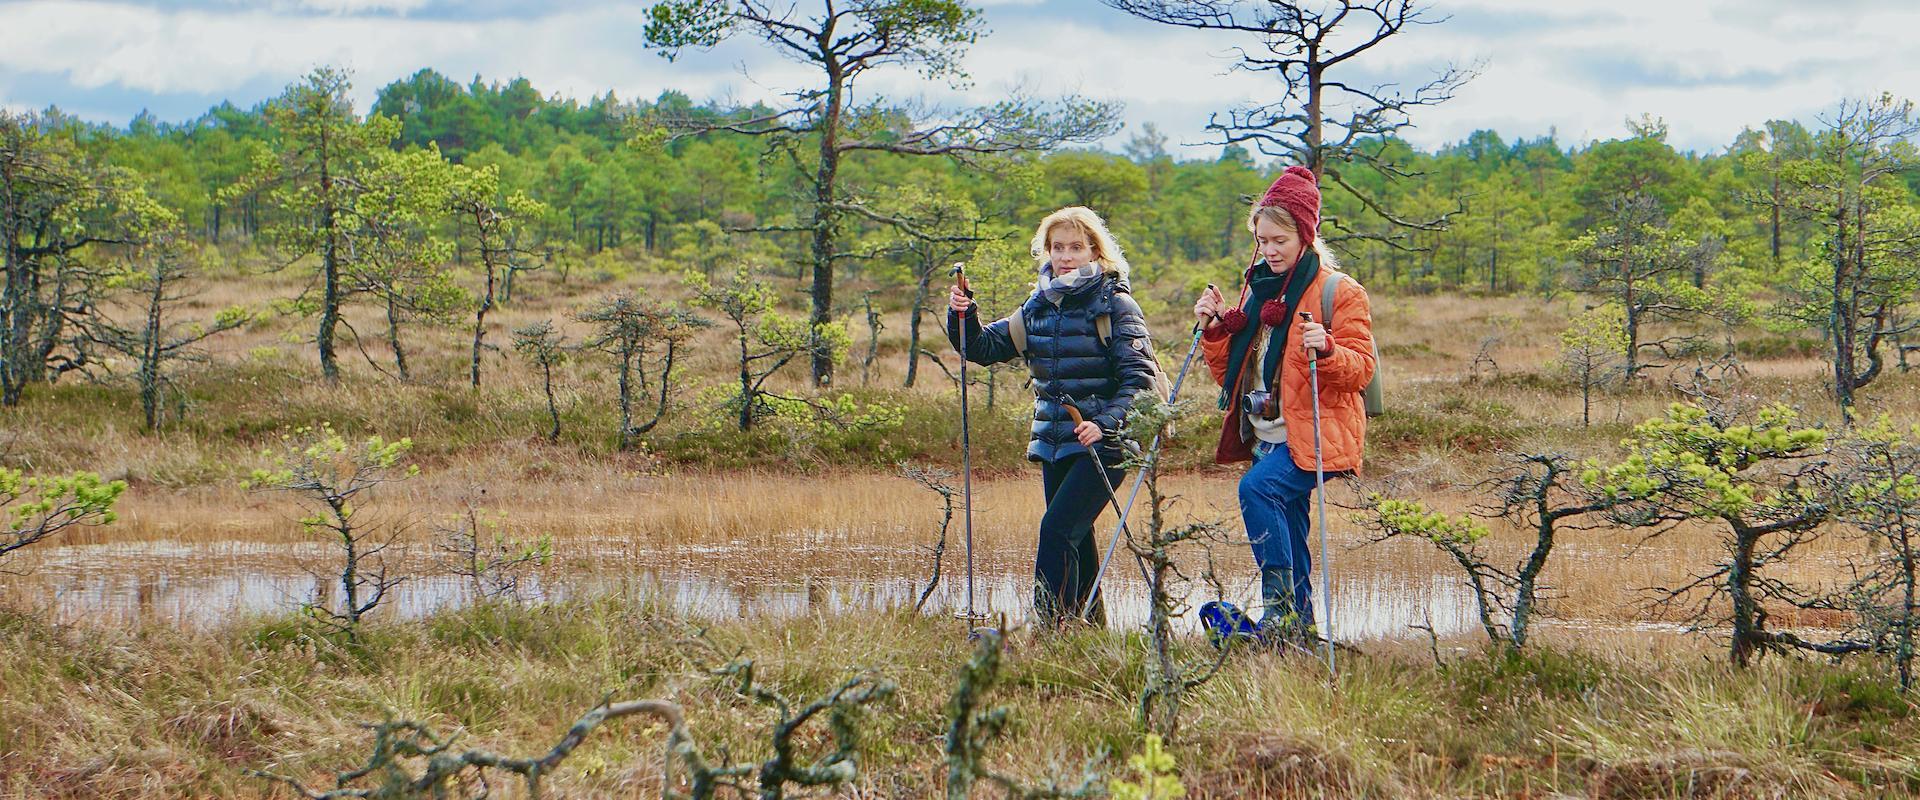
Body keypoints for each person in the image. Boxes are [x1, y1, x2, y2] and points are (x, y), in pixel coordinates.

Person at [947, 206, 1156, 627]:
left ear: (1095, 251)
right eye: (1057, 247)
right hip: (1055, 440)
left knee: (1057, 530)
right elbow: (984, 349)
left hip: (1105, 442)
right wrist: (964, 316)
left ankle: (1049, 629)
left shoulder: (1115, 304)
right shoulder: (1039, 304)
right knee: (1074, 537)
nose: (1065, 256)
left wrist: (1105, 423)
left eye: (1076, 247)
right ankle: (1089, 634)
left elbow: (1140, 380)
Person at [1192, 166, 1375, 644]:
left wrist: (1330, 349)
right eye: (1262, 240)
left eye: (1280, 240)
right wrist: (1214, 329)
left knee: (1259, 492)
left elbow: (1362, 370)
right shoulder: (1257, 290)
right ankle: (1298, 632)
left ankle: (1279, 615)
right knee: (1289, 529)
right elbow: (1234, 375)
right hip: (1268, 437)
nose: (1270, 251)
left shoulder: (1339, 291)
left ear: (1305, 234)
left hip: (1316, 435)